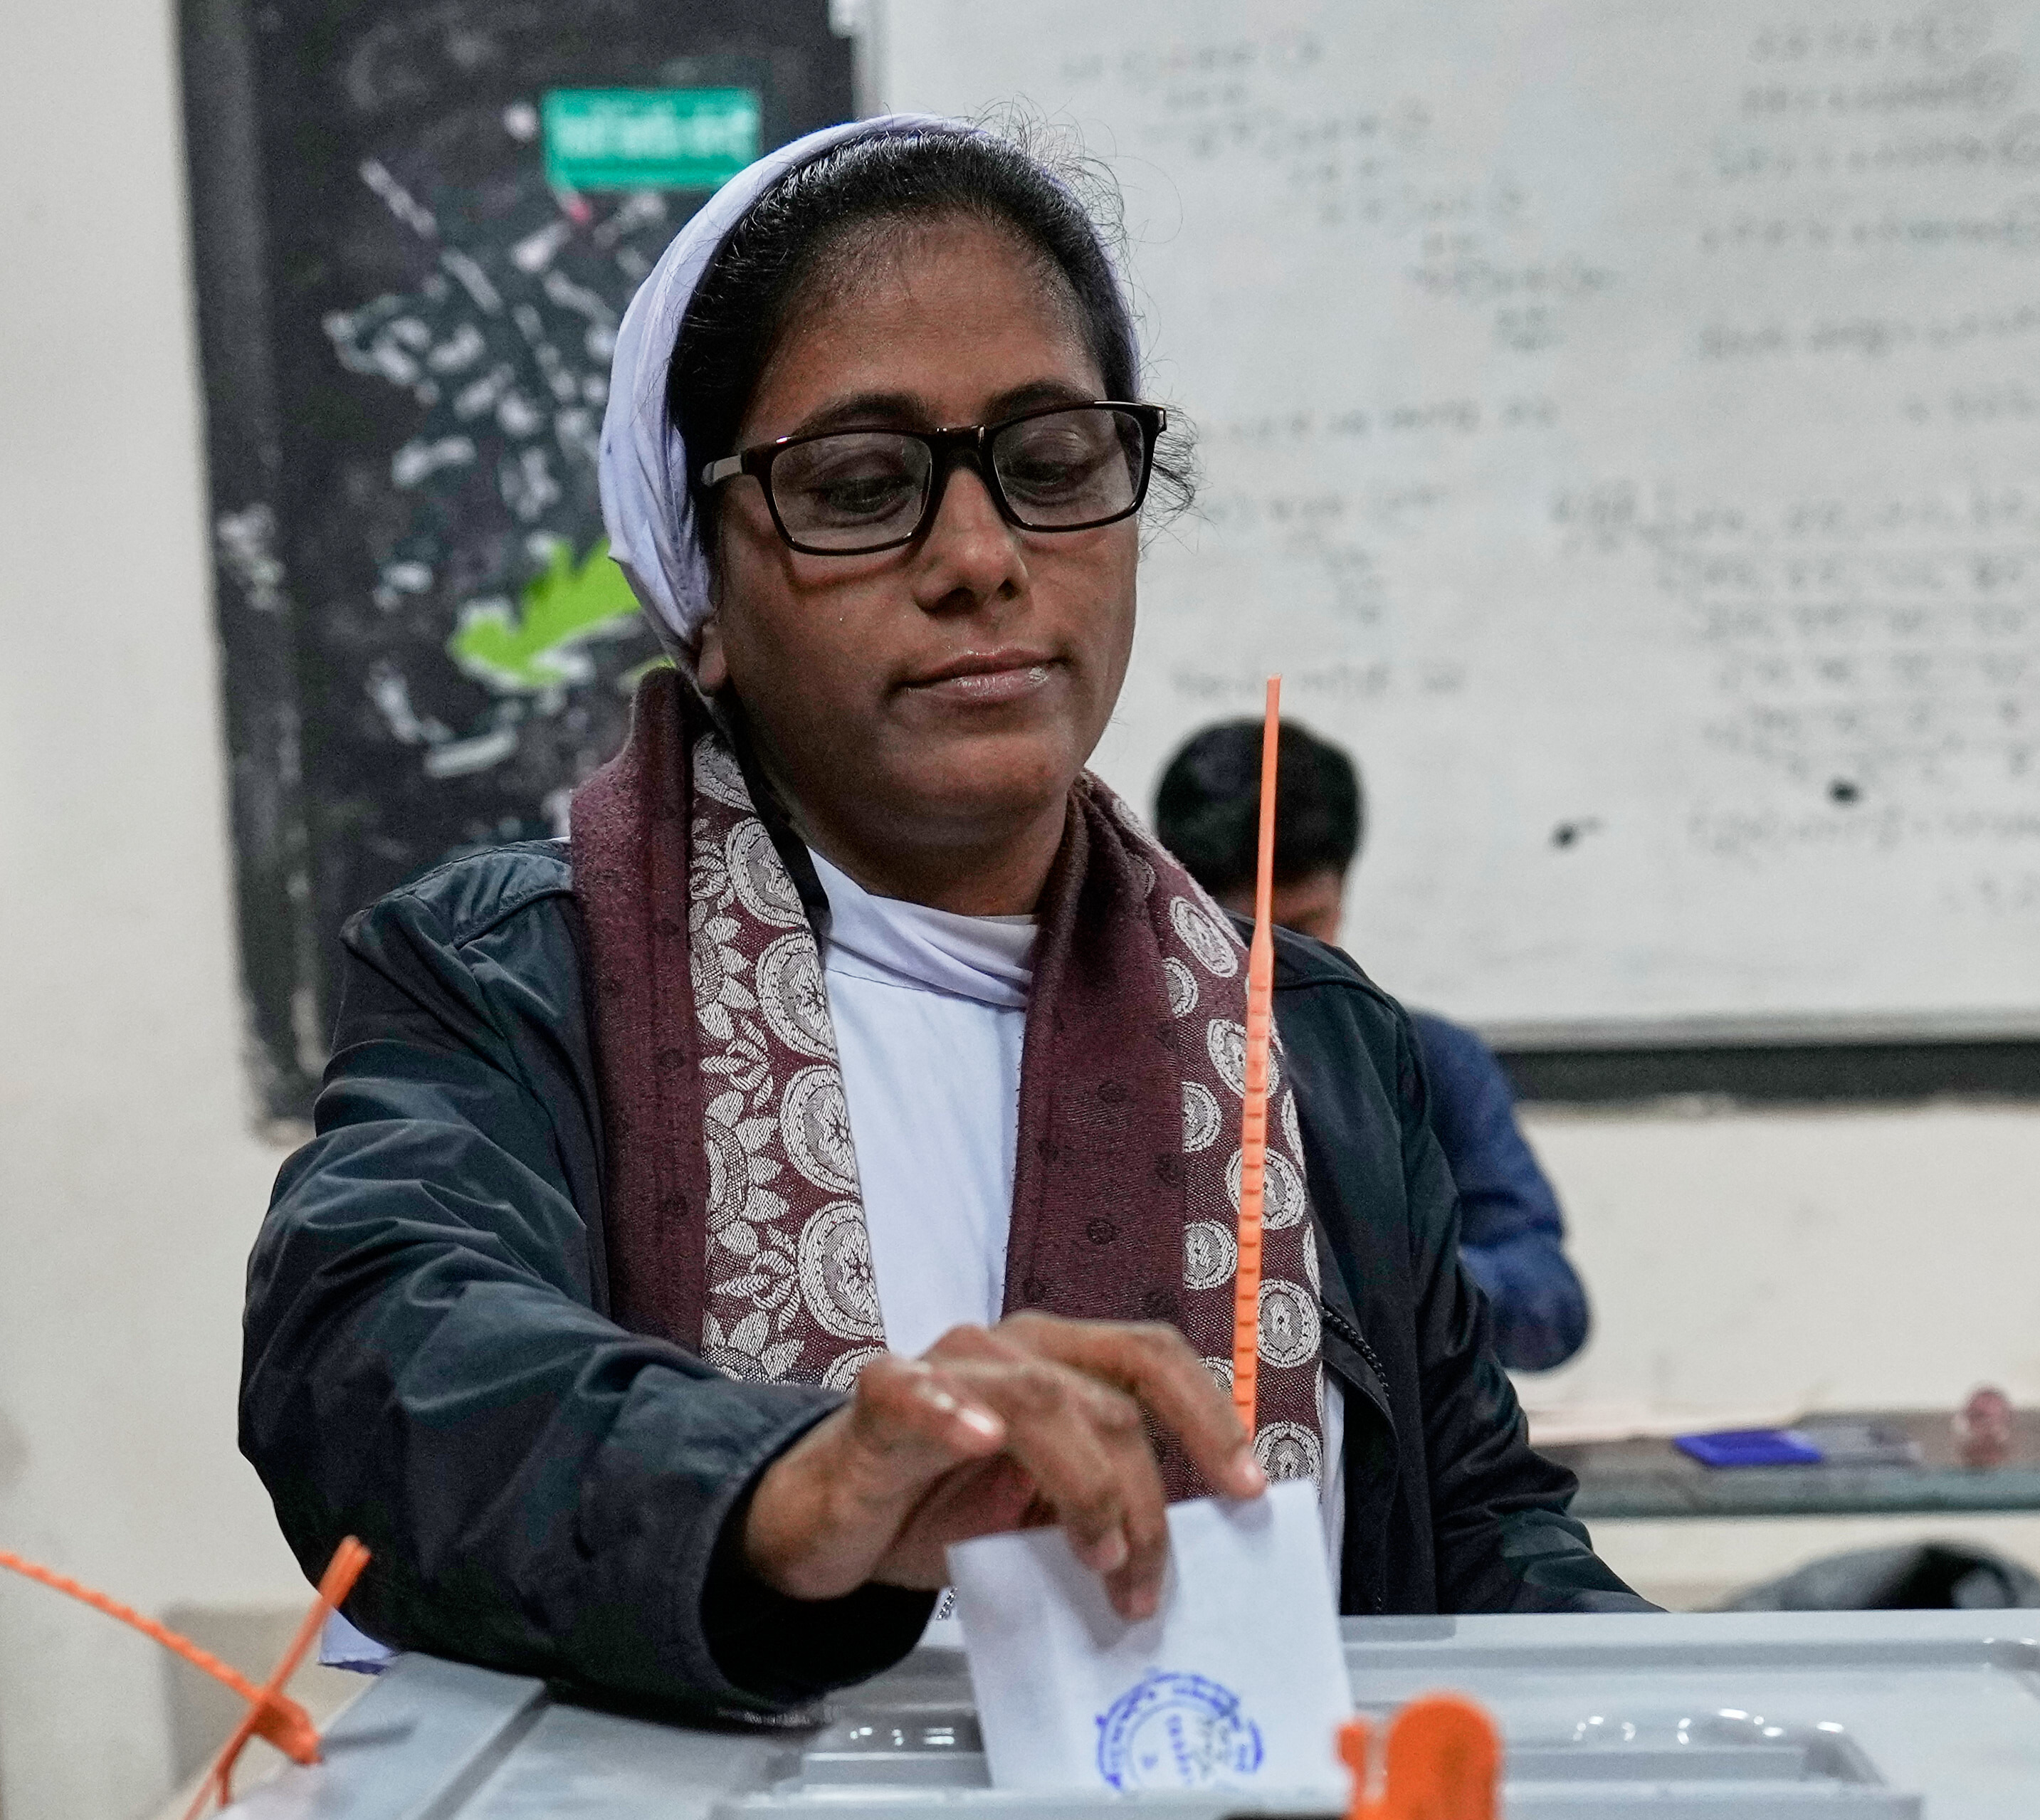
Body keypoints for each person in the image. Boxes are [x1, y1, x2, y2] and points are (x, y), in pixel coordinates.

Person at [240, 117, 1638, 1714]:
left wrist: (1722, 1756)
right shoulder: (517, 979)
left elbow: (1472, 1538)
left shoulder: (1304, 1038)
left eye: (1050, 469)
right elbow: (374, 1363)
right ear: (696, 587)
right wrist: (786, 1486)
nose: (980, 559)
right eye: (857, 487)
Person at [1152, 716, 1589, 1375]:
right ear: (1180, 903)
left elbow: (1551, 1306)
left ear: (1344, 890)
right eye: (1237, 934)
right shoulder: (1129, 1065)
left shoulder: (1427, 1063)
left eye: (1304, 927)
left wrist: (1402, 1276)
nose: (1273, 965)